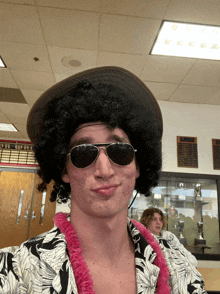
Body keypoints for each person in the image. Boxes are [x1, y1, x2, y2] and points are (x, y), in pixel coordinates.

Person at [0, 66, 206, 294]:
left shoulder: (180, 266)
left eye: (120, 151)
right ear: (64, 169)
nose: (104, 170)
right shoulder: (13, 271)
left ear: (137, 165)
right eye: (83, 153)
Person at [140, 207, 206, 293]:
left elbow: (185, 253)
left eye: (160, 219)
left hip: (180, 271)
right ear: (146, 221)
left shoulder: (169, 236)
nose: (158, 222)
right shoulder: (143, 239)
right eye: (154, 219)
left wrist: (187, 266)